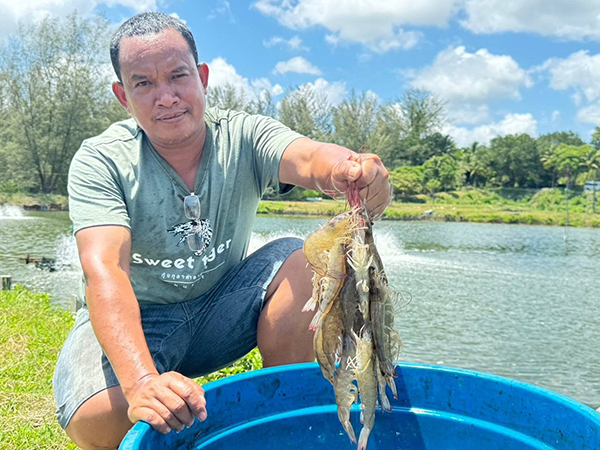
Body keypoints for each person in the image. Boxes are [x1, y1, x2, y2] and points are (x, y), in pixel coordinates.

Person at [53, 12, 391, 450]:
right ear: (123, 96)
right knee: (95, 423)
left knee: (303, 258)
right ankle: (165, 390)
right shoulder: (100, 160)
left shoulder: (245, 134)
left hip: (222, 308)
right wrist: (140, 382)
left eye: (178, 76)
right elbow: (105, 270)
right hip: (142, 317)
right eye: (144, 83)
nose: (166, 97)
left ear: (203, 77)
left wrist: (351, 169)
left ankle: (279, 412)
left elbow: (309, 158)